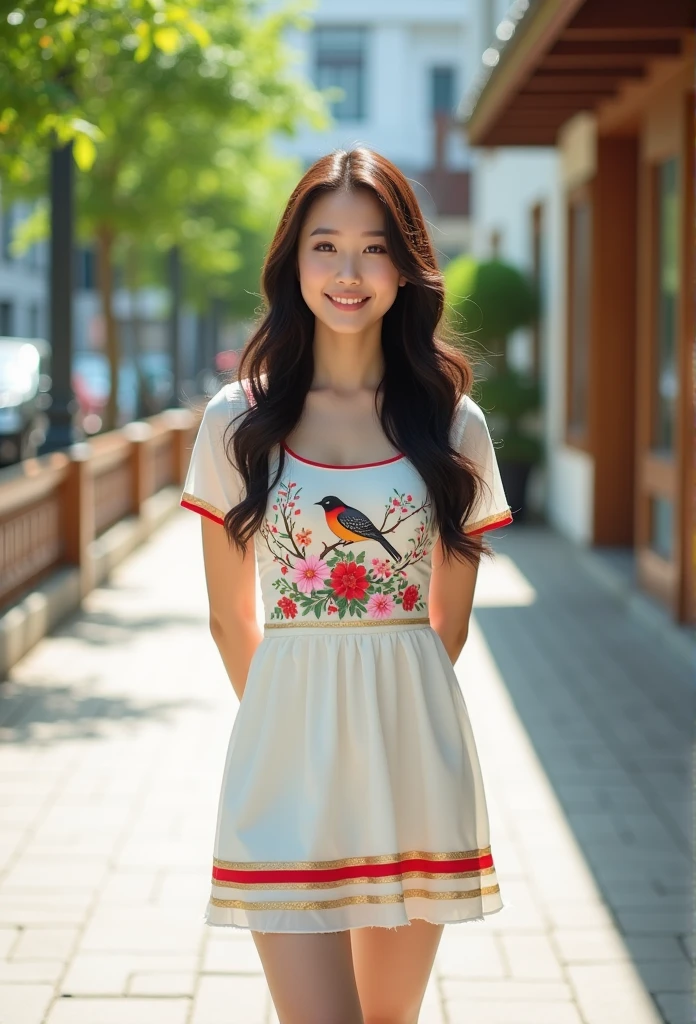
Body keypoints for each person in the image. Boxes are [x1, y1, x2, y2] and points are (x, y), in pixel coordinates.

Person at [180, 147, 513, 1024]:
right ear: (294, 262)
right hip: (284, 763)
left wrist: (374, 721)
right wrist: (300, 726)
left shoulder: (453, 423)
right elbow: (228, 619)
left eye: (374, 248)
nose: (349, 272)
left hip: (411, 758)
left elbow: (449, 622)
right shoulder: (236, 422)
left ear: (406, 268)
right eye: (325, 245)